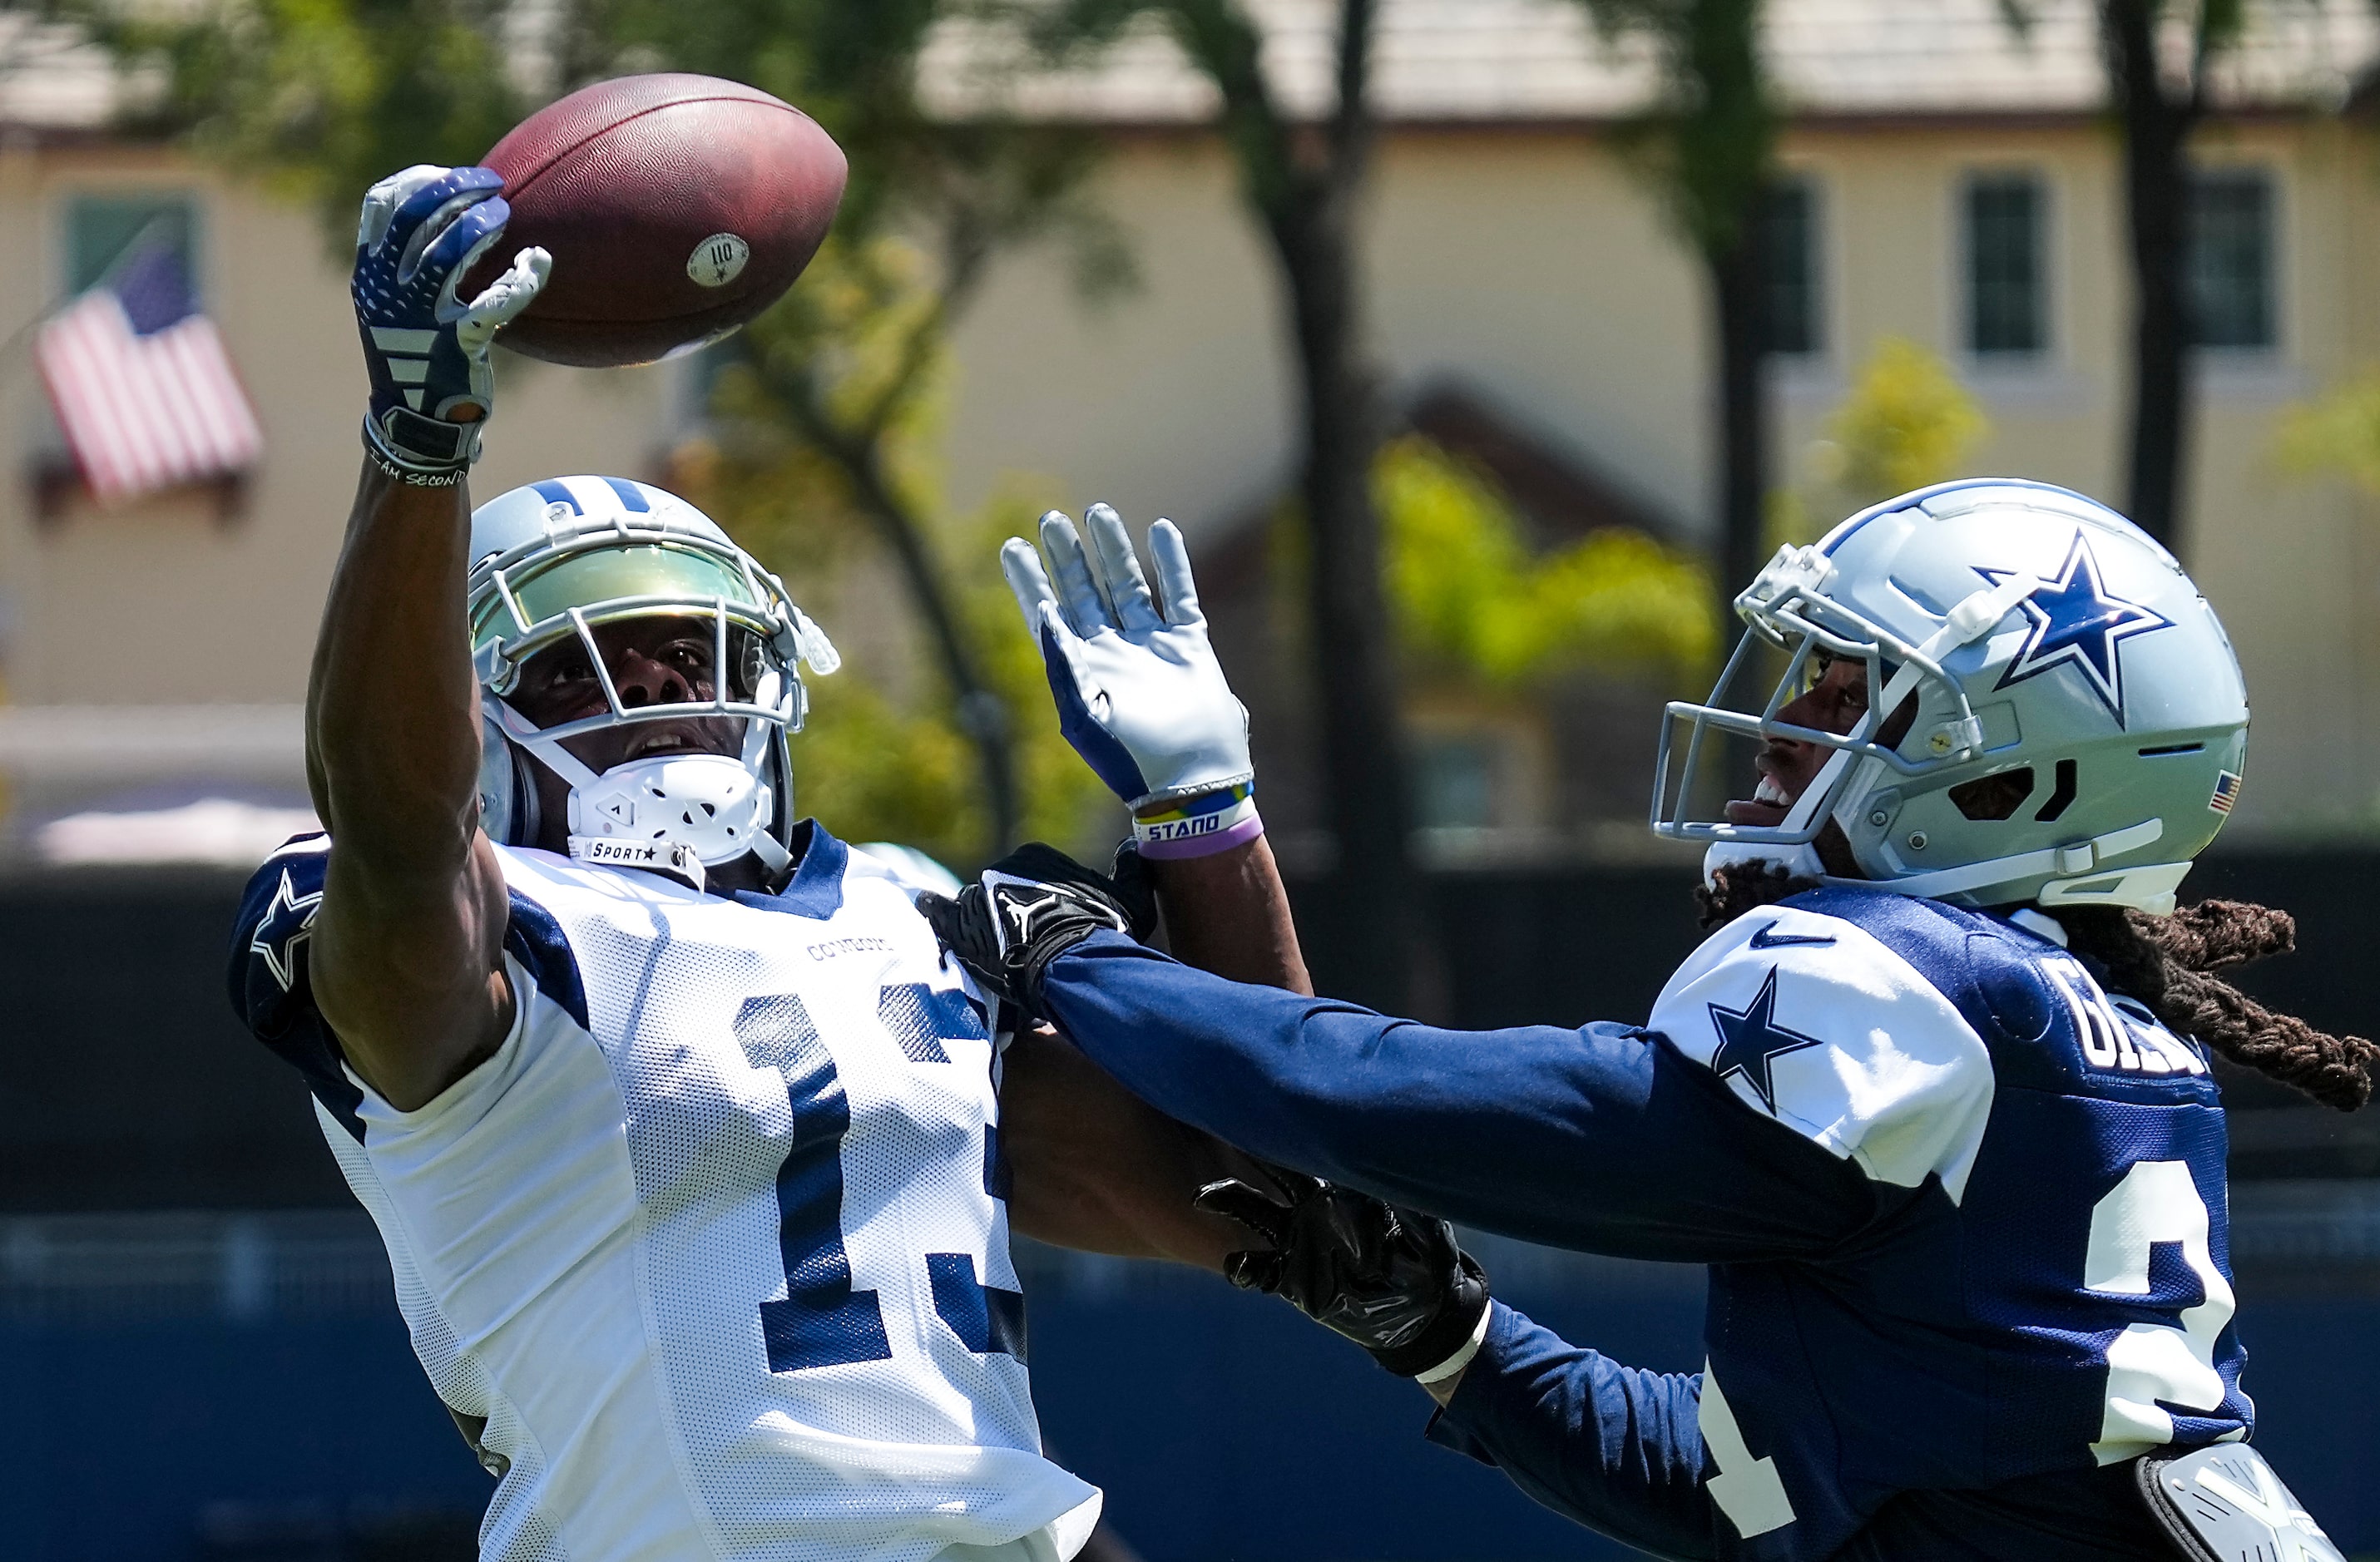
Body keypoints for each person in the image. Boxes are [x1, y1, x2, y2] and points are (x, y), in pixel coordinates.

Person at [928, 483, 2375, 1560]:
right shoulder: (2078, 1031)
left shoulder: (1914, 982)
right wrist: (1448, 1335)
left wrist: (1082, 963)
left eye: (1842, 693)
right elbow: (1731, 1485)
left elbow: (1392, 1106)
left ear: (2010, 780)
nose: (1779, 735)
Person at [225, 164, 1300, 1562]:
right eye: (572, 669)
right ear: (463, 719)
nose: (660, 684)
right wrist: (419, 444)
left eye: (698, 649)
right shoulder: (484, 928)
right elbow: (396, 836)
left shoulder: (917, 914)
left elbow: (1275, 1199)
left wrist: (1204, 818)